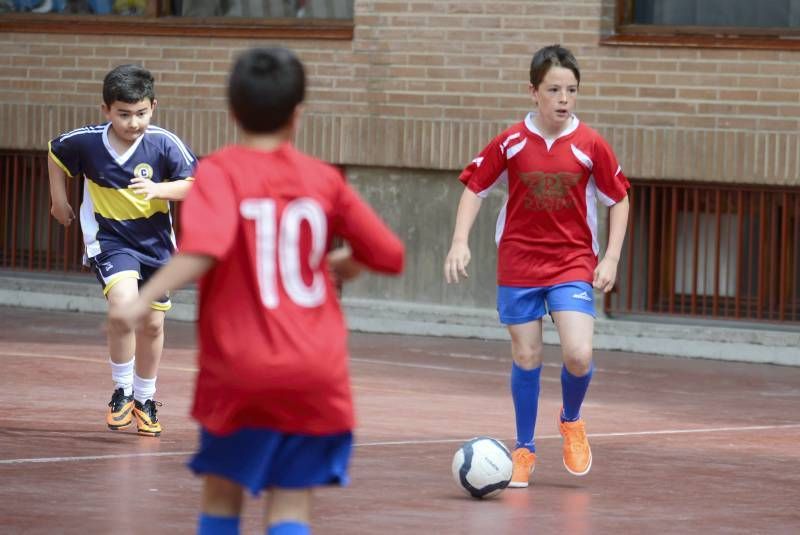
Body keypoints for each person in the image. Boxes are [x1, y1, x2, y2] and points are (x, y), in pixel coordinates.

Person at [109, 47, 404, 535]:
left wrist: (142, 299)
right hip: (314, 370)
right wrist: (343, 264)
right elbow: (389, 254)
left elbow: (205, 247)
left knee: (223, 494)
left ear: (232, 110)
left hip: (240, 369)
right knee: (290, 504)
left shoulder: (220, 172)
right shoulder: (324, 180)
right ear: (297, 113)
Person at [444, 44, 630, 487]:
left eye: (571, 90)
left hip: (571, 262)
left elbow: (619, 198)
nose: (563, 99)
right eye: (554, 90)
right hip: (520, 262)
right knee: (526, 355)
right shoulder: (510, 142)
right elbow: (475, 189)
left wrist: (612, 256)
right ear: (533, 91)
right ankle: (524, 449)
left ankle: (571, 420)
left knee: (578, 353)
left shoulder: (590, 145)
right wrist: (458, 242)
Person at [48, 64, 196, 437]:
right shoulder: (85, 142)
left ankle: (145, 399)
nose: (133, 122)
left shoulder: (164, 143)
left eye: (141, 113)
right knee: (123, 305)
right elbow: (55, 153)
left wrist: (160, 190)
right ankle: (122, 390)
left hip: (155, 244)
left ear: (153, 107)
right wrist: (58, 201)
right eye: (124, 114)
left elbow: (195, 185)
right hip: (110, 238)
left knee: (153, 322)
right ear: (106, 111)